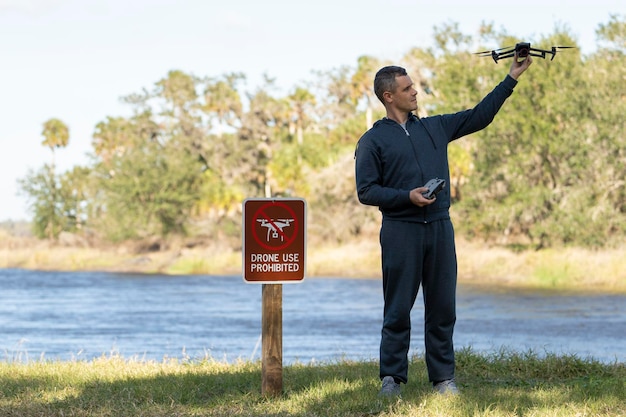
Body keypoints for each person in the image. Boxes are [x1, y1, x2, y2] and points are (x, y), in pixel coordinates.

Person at [354, 52, 532, 396]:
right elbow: (366, 191)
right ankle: (391, 379)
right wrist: (408, 196)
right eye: (407, 89)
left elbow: (480, 116)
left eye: (413, 86)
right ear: (388, 96)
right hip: (400, 231)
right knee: (397, 309)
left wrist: (512, 77)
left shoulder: (435, 127)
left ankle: (443, 379)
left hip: (439, 227)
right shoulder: (373, 141)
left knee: (442, 307)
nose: (414, 92)